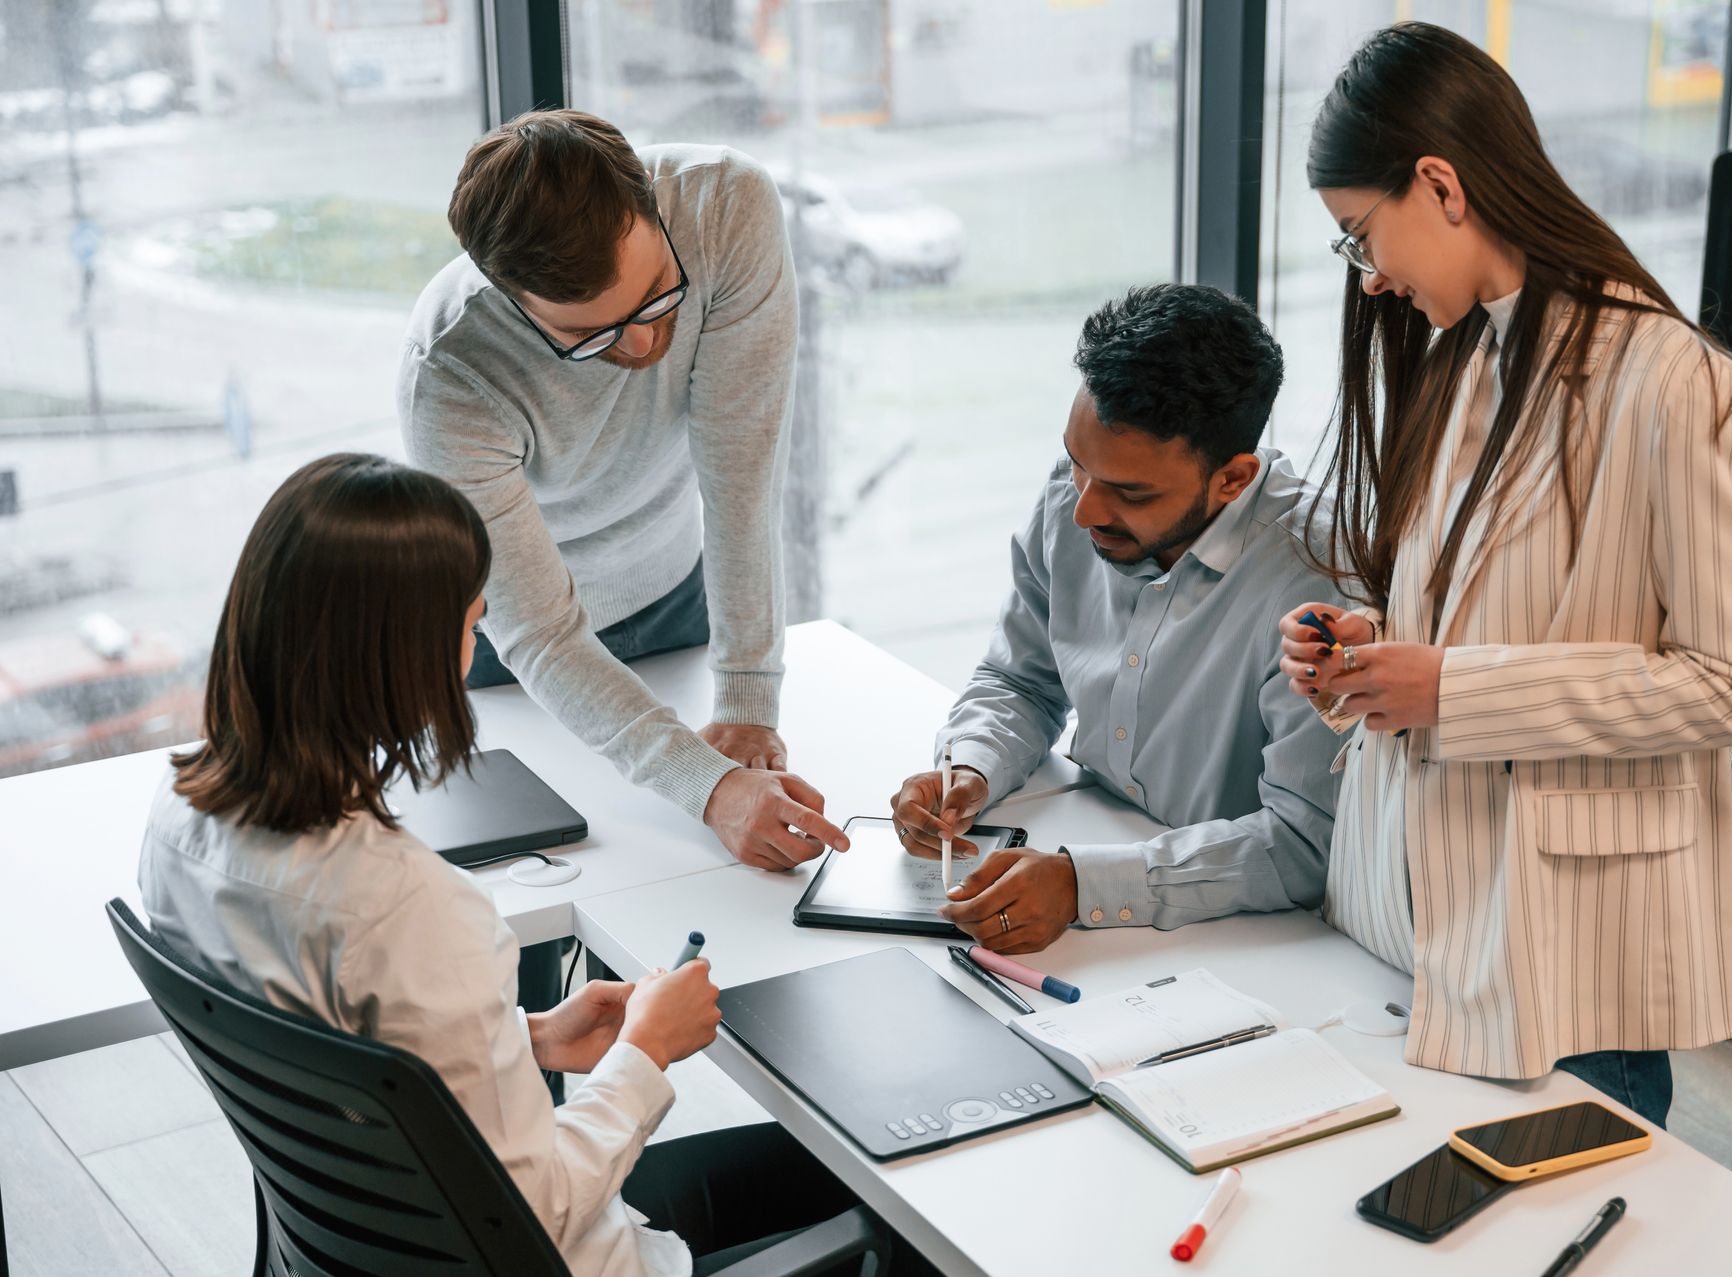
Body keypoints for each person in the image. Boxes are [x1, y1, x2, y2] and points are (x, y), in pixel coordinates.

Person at [139, 453, 928, 1277]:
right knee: (902, 1202)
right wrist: (647, 1048)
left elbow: (340, 1058)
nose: (476, 645)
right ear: (401, 657)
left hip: (381, 1252)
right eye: (470, 622)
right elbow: (536, 1206)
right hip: (551, 1254)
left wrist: (532, 1037)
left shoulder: (177, 821)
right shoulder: (410, 906)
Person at [1278, 23, 1732, 1127]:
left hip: (1568, 950)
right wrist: (1367, 652)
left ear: (1441, 185)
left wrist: (1453, 688)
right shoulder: (1467, 348)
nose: (1369, 280)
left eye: (1364, 237)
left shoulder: (1676, 383)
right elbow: (1491, 600)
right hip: (1427, 922)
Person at [398, 109, 848, 1030]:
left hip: (675, 591)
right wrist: (710, 787)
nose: (644, 349)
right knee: (520, 925)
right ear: (509, 296)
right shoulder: (450, 370)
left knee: (714, 906)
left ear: (652, 202)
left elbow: (739, 468)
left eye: (658, 301)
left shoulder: (726, 209)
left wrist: (750, 696)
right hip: (511, 652)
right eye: (592, 339)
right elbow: (541, 630)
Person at [889, 284, 1348, 954]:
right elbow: (1021, 681)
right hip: (1083, 860)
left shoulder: (1320, 576)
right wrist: (972, 766)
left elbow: (1304, 841)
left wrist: (1085, 884)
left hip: (1241, 937)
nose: (1084, 513)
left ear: (1234, 479)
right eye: (1078, 465)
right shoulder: (1082, 494)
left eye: (1129, 492)